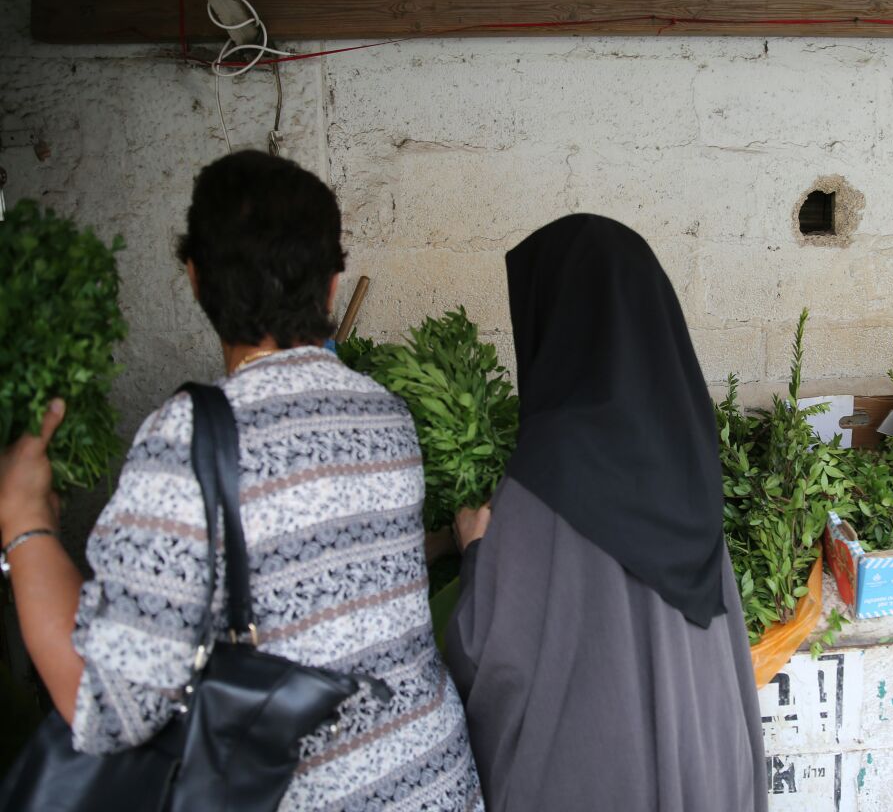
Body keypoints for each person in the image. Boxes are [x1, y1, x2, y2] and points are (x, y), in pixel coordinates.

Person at [0, 150, 483, 810]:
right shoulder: (387, 415)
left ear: (194, 279)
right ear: (334, 288)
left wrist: (24, 517)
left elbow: (108, 708)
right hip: (436, 782)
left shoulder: (185, 439)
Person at [444, 213, 767, 811]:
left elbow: (485, 650)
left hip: (597, 775)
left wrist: (476, 551)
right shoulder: (687, 442)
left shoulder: (554, 463)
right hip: (706, 761)